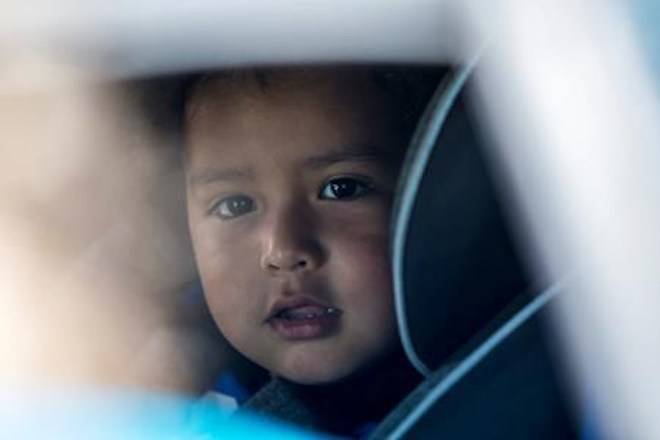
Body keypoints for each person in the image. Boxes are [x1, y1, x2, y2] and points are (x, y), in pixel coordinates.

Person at [180, 66, 442, 437]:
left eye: (342, 189)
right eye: (235, 205)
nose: (284, 250)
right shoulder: (159, 386)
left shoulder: (485, 402)